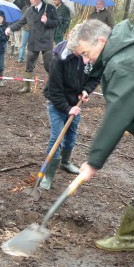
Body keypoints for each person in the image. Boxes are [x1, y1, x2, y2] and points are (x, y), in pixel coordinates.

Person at [68, 19, 134, 255]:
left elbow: (118, 113)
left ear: (101, 41)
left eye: (86, 53)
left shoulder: (125, 63)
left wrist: (94, 161)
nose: (86, 61)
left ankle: (130, 237)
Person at [39, 24, 100, 190]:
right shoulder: (59, 58)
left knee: (72, 134)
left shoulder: (91, 54)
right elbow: (55, 91)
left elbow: (95, 77)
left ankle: (65, 162)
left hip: (75, 102)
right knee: (56, 137)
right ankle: (48, 175)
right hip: (57, 103)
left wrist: (86, 90)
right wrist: (67, 108)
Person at [6, 0, 60, 93]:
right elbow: (21, 22)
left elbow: (57, 22)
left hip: (46, 41)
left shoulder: (50, 9)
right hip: (33, 42)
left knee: (48, 65)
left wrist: (47, 21)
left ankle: (53, 86)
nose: (31, 1)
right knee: (29, 64)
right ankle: (27, 87)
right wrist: (10, 28)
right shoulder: (29, 10)